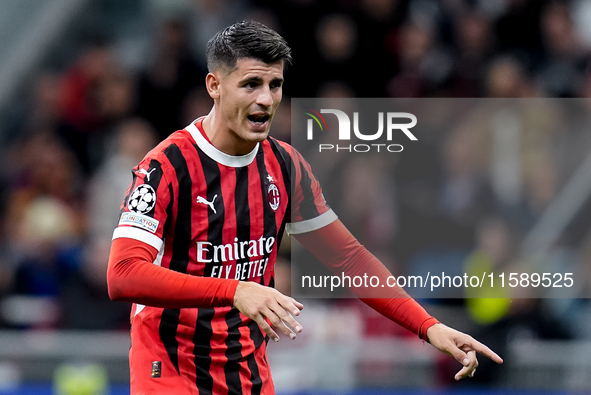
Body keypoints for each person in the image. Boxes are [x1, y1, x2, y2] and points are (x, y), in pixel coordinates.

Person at [107, 20, 503, 395]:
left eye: (274, 85)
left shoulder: (285, 166)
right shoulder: (167, 166)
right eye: (250, 84)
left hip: (247, 371)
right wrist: (233, 291)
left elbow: (349, 260)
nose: (266, 99)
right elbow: (122, 275)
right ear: (214, 85)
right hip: (171, 369)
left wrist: (428, 326)